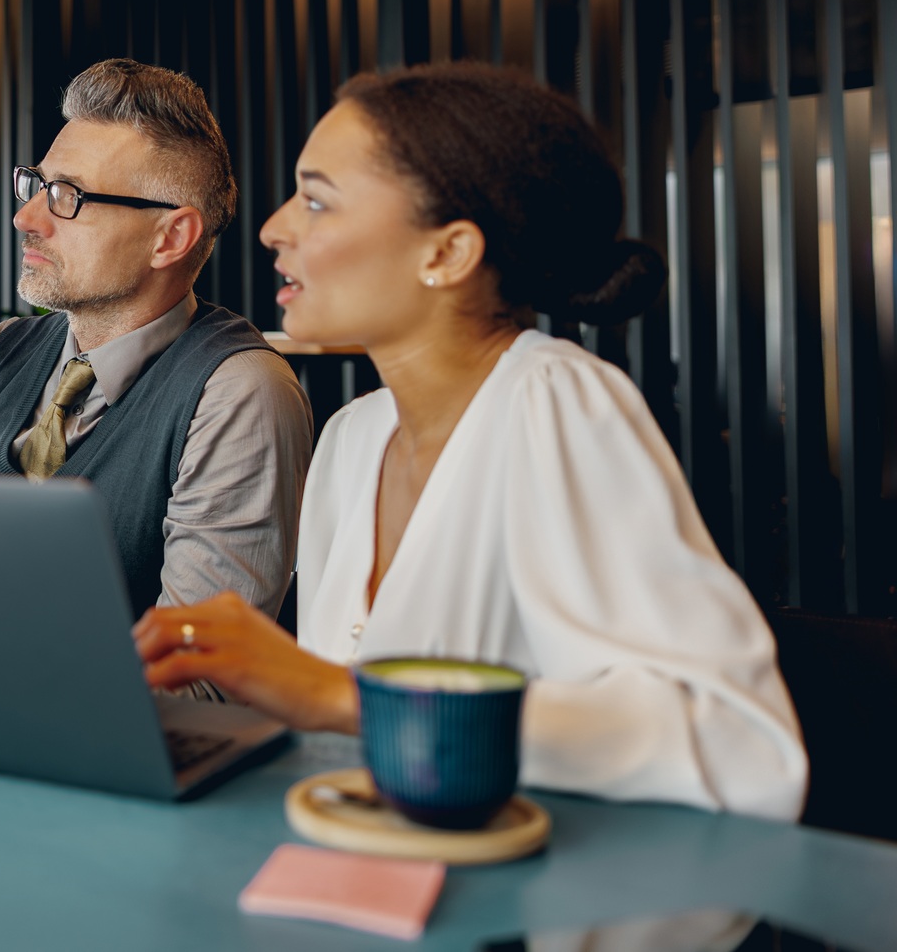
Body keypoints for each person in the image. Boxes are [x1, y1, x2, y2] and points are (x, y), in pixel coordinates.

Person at [133, 64, 807, 820]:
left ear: (447, 253)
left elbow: (741, 747)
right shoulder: (351, 442)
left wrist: (340, 695)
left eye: (317, 200)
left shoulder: (555, 402)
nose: (273, 228)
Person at [0, 59, 313, 622]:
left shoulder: (238, 393)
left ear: (171, 238)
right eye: (37, 185)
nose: (26, 218)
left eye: (67, 195)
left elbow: (196, 660)